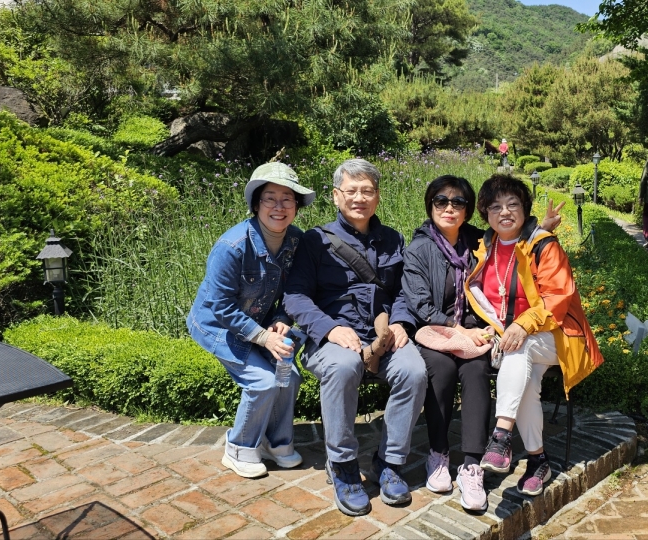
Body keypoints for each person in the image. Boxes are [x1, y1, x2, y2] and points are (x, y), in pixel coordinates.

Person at [403, 175, 564, 511]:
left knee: (482, 370)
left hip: (508, 334)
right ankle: (443, 454)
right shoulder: (429, 248)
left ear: (468, 211)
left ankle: (477, 459)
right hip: (450, 332)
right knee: (449, 371)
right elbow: (419, 303)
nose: (449, 208)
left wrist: (540, 232)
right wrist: (459, 330)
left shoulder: (482, 241)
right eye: (441, 201)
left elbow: (528, 254)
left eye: (458, 202)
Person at [283, 158, 428, 517]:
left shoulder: (392, 239)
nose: (359, 198)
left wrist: (401, 323)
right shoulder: (315, 241)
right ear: (336, 196)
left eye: (367, 191)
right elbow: (295, 296)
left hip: (382, 336)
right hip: (332, 338)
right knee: (344, 367)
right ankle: (343, 465)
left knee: (413, 371)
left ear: (377, 196)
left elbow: (403, 292)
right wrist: (330, 328)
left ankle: (389, 462)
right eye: (351, 191)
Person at [466, 174, 603, 497]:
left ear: (525, 209)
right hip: (518, 341)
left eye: (512, 204)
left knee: (519, 348)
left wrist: (522, 325)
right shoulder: (486, 247)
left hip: (558, 335)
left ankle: (501, 436)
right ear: (485, 213)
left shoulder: (544, 245)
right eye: (495, 206)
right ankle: (538, 460)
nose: (504, 212)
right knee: (525, 380)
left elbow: (558, 297)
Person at [186, 162, 315, 479]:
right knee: (262, 382)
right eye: (270, 198)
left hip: (262, 320)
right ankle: (239, 447)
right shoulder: (232, 247)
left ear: (297, 206)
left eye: (287, 199)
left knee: (289, 377)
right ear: (256, 204)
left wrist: (283, 318)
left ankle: (276, 442)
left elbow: (297, 288)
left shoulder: (296, 241)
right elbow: (219, 305)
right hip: (219, 325)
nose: (279, 207)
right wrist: (264, 338)